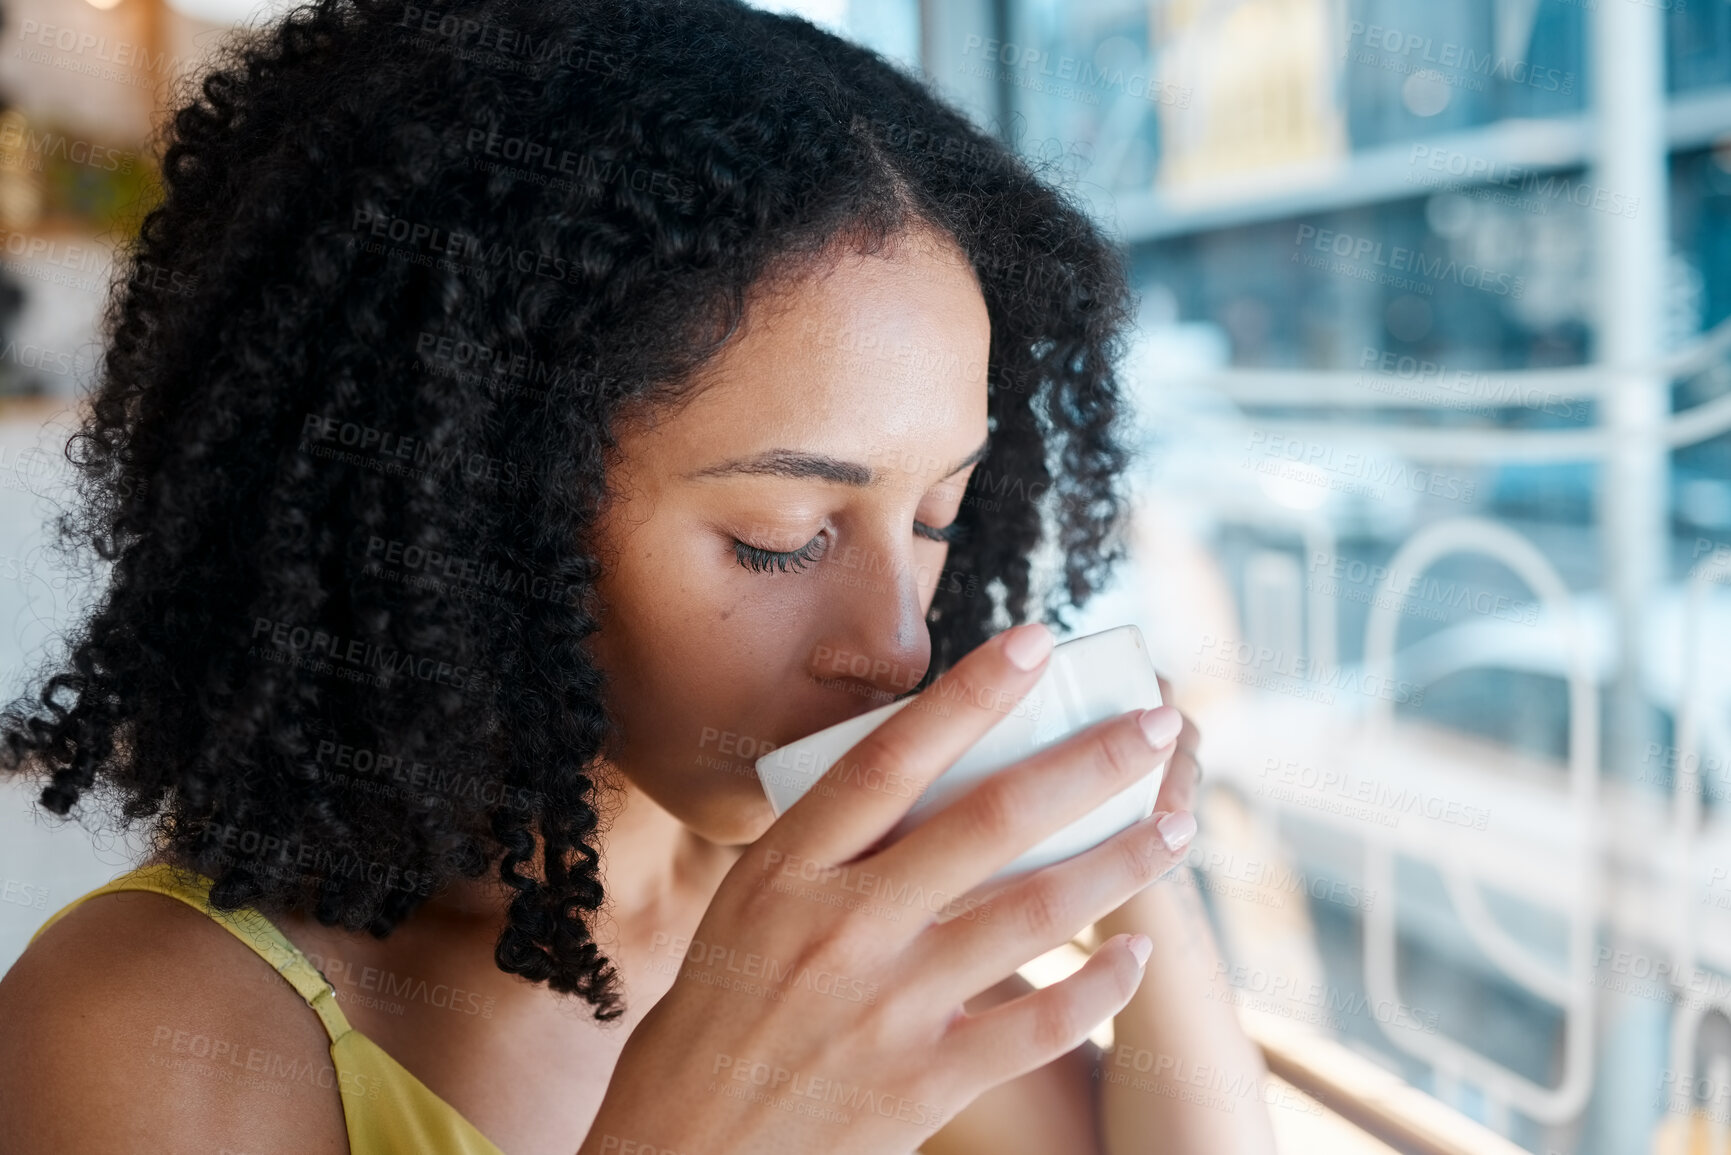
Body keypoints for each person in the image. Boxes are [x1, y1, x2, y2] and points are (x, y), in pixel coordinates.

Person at [0, 0, 1277, 1151]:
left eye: (941, 515)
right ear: (475, 505)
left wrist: (1130, 855)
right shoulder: (147, 1023)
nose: (896, 647)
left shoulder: (817, 915)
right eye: (780, 535)